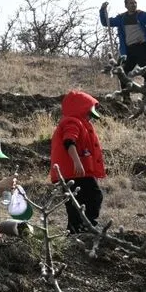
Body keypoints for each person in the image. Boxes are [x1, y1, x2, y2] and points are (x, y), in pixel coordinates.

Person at [50, 90, 107, 233]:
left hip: (75, 172)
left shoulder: (79, 122)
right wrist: (77, 162)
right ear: (81, 110)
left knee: (76, 201)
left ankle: (76, 230)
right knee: (94, 196)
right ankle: (87, 226)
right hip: (74, 172)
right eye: (88, 113)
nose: (90, 117)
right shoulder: (72, 122)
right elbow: (69, 142)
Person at [100, 0, 146, 102]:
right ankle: (126, 98)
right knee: (123, 72)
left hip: (142, 47)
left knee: (145, 72)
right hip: (129, 50)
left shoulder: (142, 15)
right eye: (131, 3)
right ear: (126, 5)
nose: (133, 5)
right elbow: (106, 22)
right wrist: (102, 10)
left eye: (135, 3)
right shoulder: (121, 18)